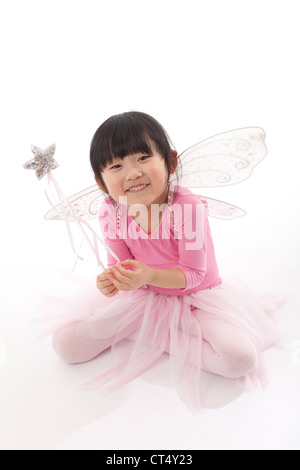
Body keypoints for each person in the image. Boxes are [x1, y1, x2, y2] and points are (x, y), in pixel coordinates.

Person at [51, 111, 284, 412]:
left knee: (239, 359)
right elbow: (122, 266)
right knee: (66, 346)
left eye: (143, 158)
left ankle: (156, 335)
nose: (132, 173)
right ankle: (154, 329)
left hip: (198, 298)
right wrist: (114, 281)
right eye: (117, 165)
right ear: (101, 182)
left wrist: (146, 275)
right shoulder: (110, 211)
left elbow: (194, 275)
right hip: (143, 295)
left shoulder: (186, 208)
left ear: (170, 162)